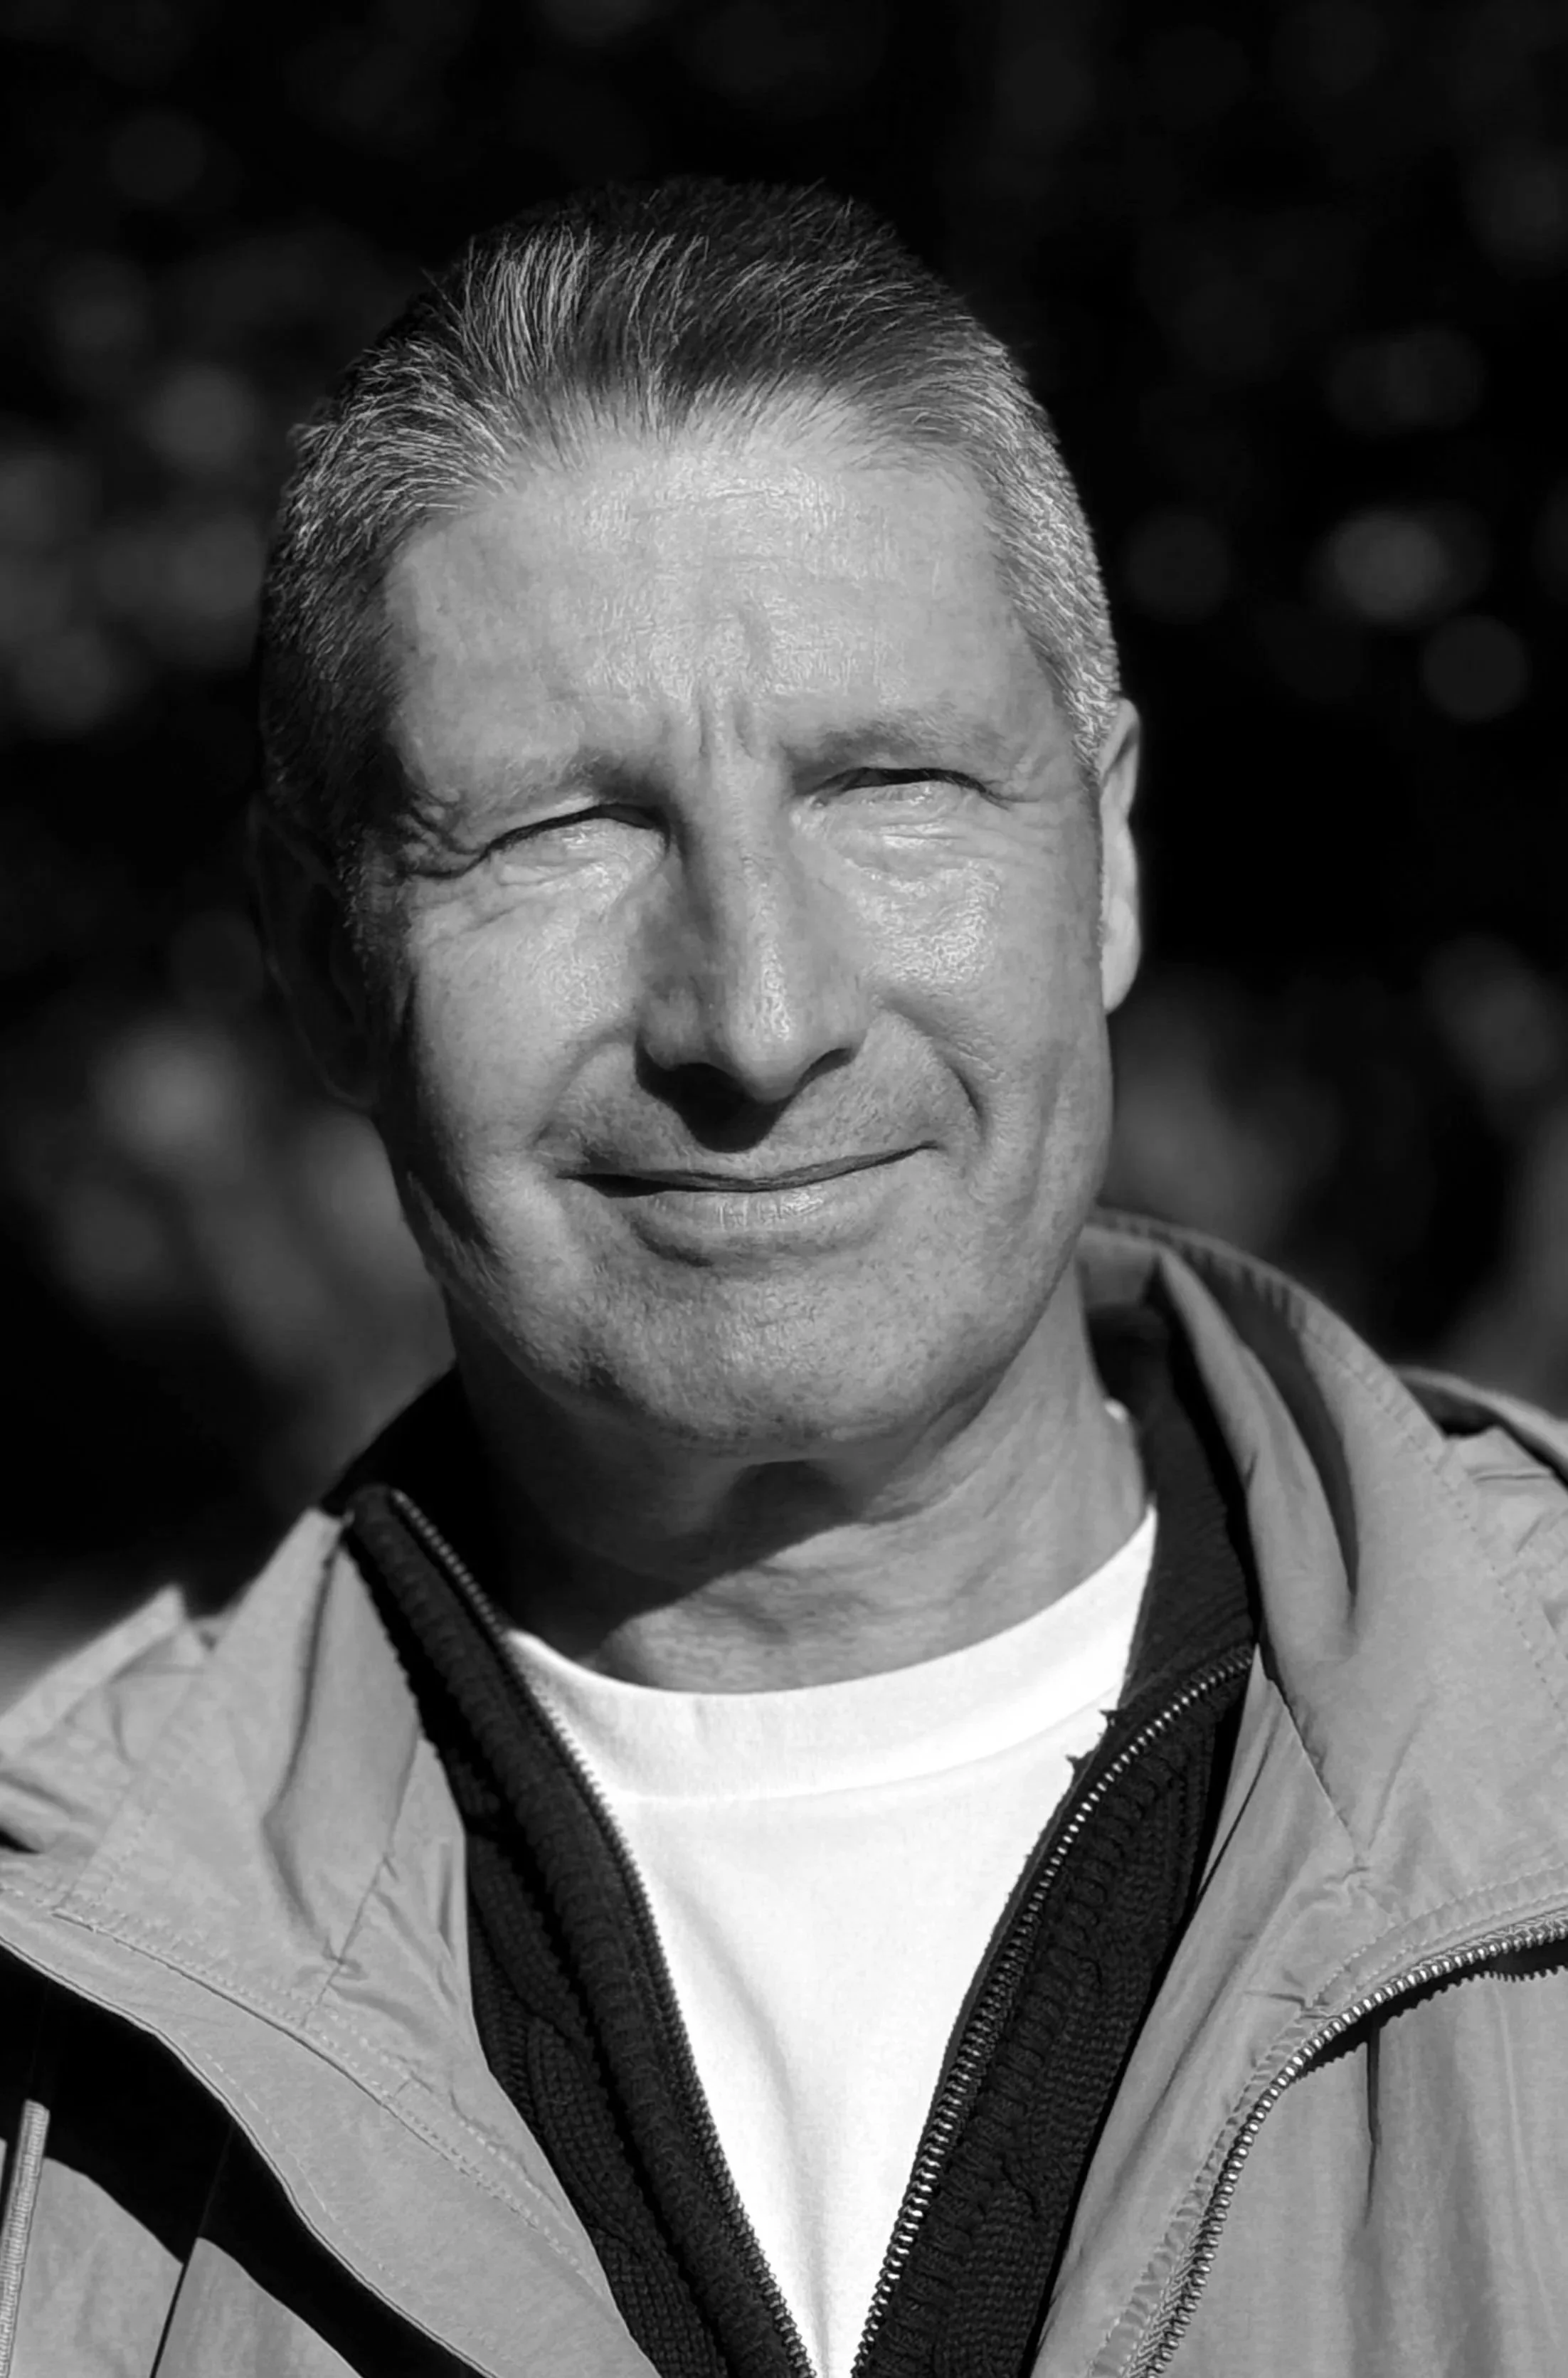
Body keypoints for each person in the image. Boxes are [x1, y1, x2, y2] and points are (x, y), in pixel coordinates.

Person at [1, 178, 1566, 2378]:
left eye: (887, 783)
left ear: (1106, 854)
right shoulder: (49, 2035)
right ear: (323, 959)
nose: (754, 1016)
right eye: (560, 828)